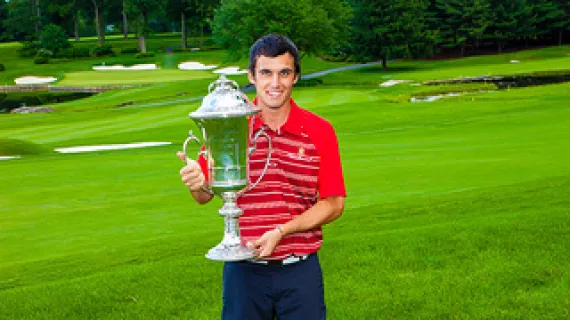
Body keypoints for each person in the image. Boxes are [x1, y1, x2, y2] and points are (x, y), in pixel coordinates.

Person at [177, 34, 346, 320]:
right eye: (266, 72)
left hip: (299, 270)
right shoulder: (230, 124)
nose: (275, 83)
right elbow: (204, 196)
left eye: (284, 73)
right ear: (252, 76)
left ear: (296, 77)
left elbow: (333, 203)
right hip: (244, 271)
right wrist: (197, 180)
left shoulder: (319, 130)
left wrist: (282, 232)